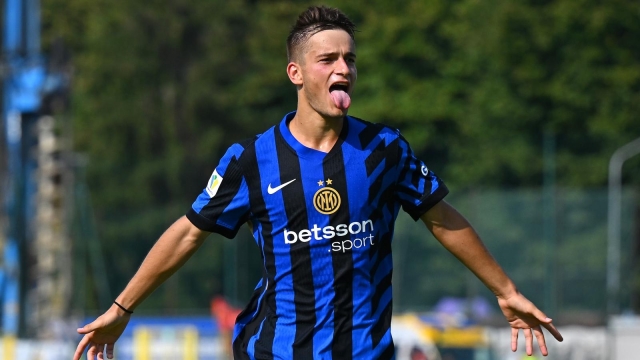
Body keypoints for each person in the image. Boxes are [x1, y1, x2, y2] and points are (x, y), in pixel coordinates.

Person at [73, 6, 563, 360]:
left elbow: (442, 217)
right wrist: (122, 308)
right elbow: (188, 231)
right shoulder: (251, 160)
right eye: (328, 60)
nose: (343, 69)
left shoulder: (385, 149)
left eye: (349, 59)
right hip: (276, 351)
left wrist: (505, 289)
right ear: (296, 73)